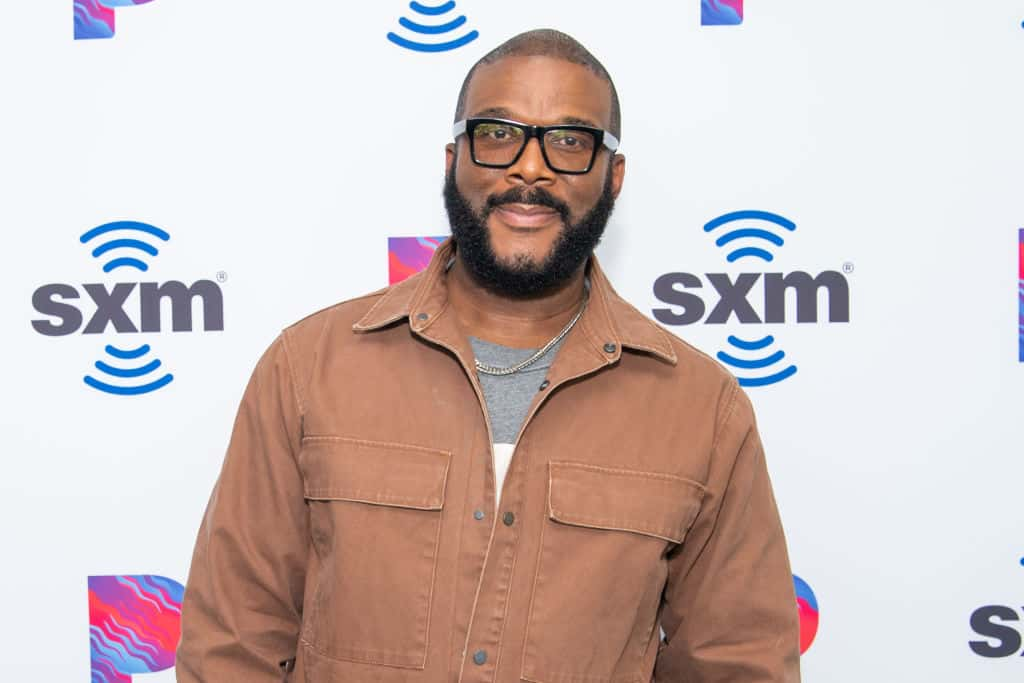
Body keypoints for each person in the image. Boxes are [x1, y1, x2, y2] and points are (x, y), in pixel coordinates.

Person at [176, 28, 801, 683]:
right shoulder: (308, 370)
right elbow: (231, 647)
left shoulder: (702, 409)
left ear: (613, 177)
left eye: (569, 141)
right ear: (453, 160)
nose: (529, 169)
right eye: (498, 133)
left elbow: (740, 665)